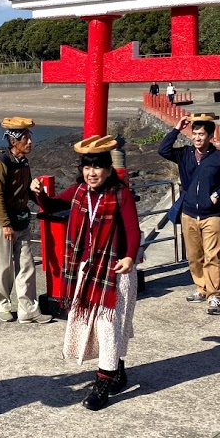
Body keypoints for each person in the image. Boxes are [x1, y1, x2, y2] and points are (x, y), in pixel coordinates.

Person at [31, 136, 140, 411]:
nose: (91, 173)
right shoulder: (79, 191)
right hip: (89, 271)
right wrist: (40, 193)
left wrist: (129, 257)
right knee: (107, 329)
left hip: (115, 271)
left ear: (108, 168)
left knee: (107, 326)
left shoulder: (121, 194)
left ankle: (102, 386)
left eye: (97, 167)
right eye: (87, 167)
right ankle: (119, 371)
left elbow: (133, 230)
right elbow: (53, 206)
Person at [157, 115, 220, 315]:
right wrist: (176, 129)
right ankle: (201, 288)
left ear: (210, 136)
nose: (197, 138)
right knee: (194, 256)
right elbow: (163, 150)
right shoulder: (185, 154)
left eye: (201, 134)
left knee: (212, 256)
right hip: (188, 213)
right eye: (194, 134)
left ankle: (214, 296)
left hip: (211, 214)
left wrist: (219, 193)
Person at [0, 116, 51, 324]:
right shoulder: (0, 164)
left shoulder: (24, 162)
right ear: (14, 141)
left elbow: (24, 190)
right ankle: (2, 306)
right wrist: (6, 224)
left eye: (30, 137)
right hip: (4, 221)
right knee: (5, 267)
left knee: (27, 264)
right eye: (26, 138)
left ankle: (28, 310)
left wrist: (36, 193)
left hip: (21, 219)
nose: (30, 142)